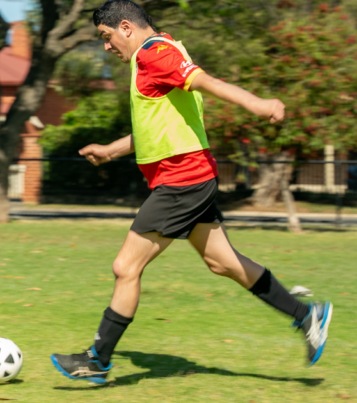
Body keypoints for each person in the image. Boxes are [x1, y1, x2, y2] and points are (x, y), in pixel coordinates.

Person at [50, 0, 332, 384]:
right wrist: (111, 150)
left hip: (181, 181)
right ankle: (306, 316)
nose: (107, 46)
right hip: (190, 177)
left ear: (127, 27)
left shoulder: (156, 54)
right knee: (224, 263)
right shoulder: (159, 54)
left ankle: (97, 360)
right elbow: (157, 126)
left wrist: (257, 103)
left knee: (125, 267)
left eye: (107, 37)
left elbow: (205, 81)